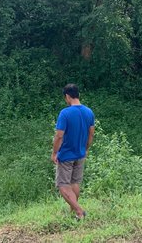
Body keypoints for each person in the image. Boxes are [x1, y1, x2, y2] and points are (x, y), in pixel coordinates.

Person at [51, 83, 95, 220]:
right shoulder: (89, 112)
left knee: (63, 186)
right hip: (80, 153)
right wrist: (86, 149)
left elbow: (59, 135)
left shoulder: (65, 113)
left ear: (67, 96)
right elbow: (91, 134)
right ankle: (73, 212)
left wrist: (54, 153)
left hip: (66, 155)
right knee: (74, 183)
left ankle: (79, 211)